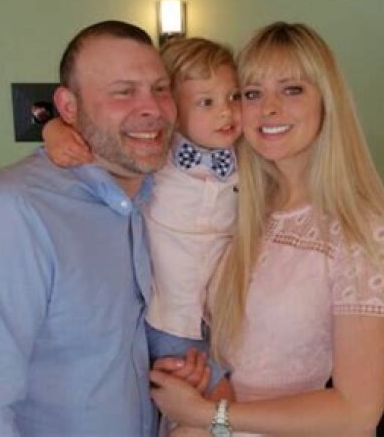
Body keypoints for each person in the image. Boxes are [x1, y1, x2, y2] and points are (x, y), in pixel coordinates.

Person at [0, 20, 207, 437]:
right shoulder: (10, 212)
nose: (152, 107)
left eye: (160, 88)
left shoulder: (156, 199)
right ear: (68, 107)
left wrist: (161, 370)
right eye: (123, 91)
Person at [148, 22, 384, 437]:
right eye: (251, 93)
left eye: (292, 89)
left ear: (327, 101)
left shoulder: (363, 231)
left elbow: (357, 412)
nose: (269, 108)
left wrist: (211, 416)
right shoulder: (235, 203)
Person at [42, 36, 241, 434]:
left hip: (216, 320)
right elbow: (93, 140)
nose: (226, 112)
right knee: (216, 409)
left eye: (233, 97)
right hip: (167, 320)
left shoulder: (242, 157)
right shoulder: (157, 158)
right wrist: (54, 130)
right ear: (173, 112)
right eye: (206, 102)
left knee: (194, 414)